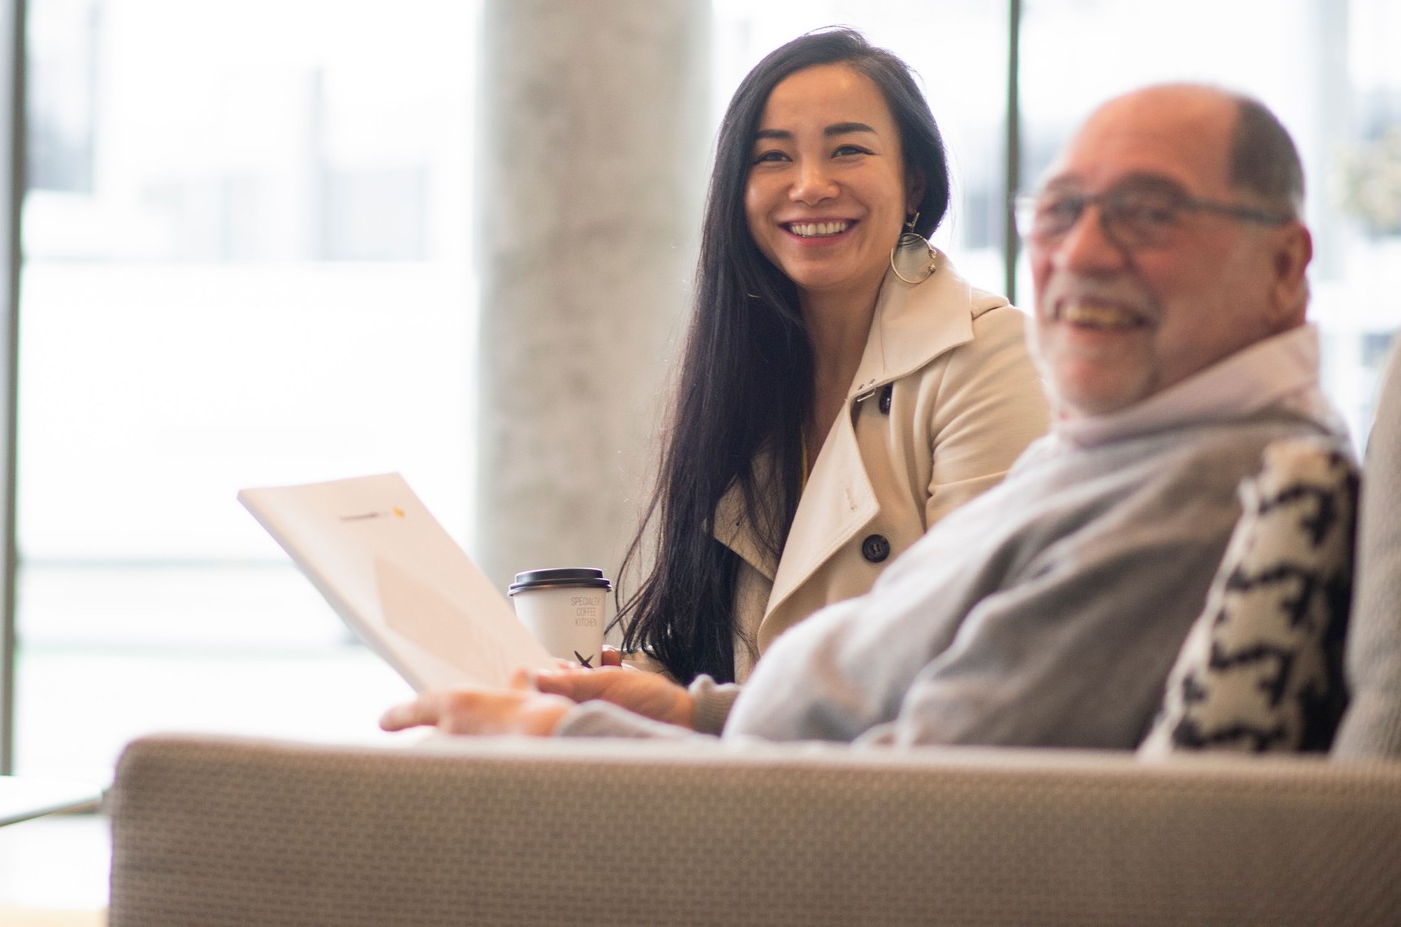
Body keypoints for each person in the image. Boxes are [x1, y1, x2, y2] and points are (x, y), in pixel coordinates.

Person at [382, 82, 1341, 748]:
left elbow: (917, 800)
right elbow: (906, 680)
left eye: (1148, 214)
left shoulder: (1204, 489)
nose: (1083, 253)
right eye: (1058, 212)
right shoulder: (1120, 448)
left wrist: (572, 737)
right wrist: (685, 715)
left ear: (1285, 268)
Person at [613, 27, 1048, 686]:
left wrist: (692, 712)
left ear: (916, 185)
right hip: (765, 782)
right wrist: (598, 683)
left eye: (847, 150)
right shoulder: (744, 373)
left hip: (903, 783)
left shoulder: (990, 352)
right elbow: (706, 653)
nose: (810, 186)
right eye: (772, 158)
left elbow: (976, 660)